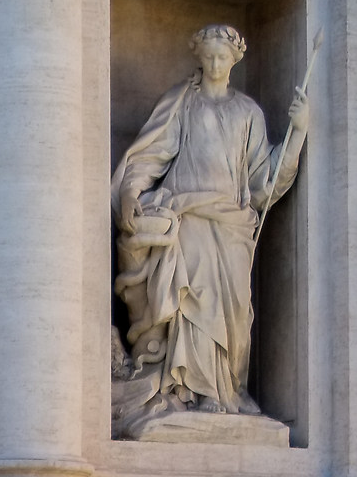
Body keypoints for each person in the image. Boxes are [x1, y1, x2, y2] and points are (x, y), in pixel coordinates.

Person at [112, 23, 306, 423]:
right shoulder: (182, 102)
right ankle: (188, 389)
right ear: (199, 59)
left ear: (235, 60)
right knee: (192, 303)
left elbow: (264, 181)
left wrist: (298, 132)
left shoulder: (247, 112)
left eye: (223, 58)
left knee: (232, 311)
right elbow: (151, 155)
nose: (216, 64)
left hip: (231, 225)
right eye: (210, 57)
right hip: (189, 219)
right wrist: (132, 191)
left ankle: (225, 389)